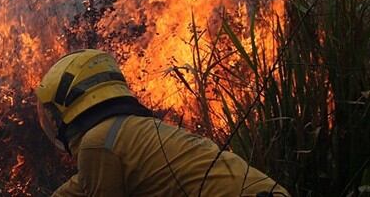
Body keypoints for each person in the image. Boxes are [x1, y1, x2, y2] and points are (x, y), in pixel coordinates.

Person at [36, 49, 290, 196]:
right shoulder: (130, 133)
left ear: (67, 105)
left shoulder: (98, 143)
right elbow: (81, 187)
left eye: (52, 115)